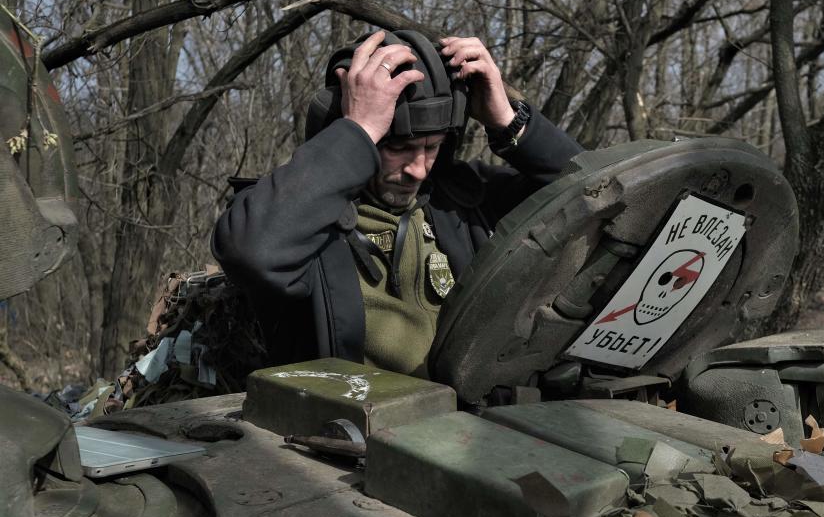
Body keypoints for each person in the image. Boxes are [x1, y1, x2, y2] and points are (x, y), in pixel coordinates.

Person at [211, 30, 582, 378]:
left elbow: (593, 194)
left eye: (432, 147)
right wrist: (357, 130)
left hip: (475, 430)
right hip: (355, 435)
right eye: (399, 149)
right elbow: (250, 251)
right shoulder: (306, 220)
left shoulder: (467, 201)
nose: (418, 169)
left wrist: (508, 122)